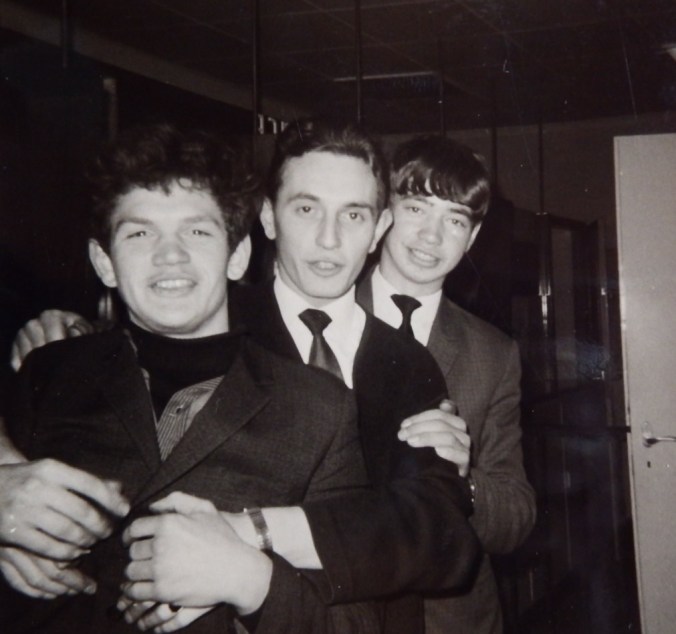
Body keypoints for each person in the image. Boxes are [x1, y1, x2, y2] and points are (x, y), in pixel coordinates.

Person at [3, 121, 481, 633]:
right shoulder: (83, 356)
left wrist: (244, 544)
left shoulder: (404, 363)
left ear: (378, 227)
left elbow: (439, 534)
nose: (329, 238)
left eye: (353, 214)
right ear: (267, 220)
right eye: (306, 209)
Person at [360, 134, 536, 633]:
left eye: (454, 220)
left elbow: (516, 517)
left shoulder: (494, 353)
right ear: (384, 213)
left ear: (472, 237)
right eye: (417, 208)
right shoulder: (318, 317)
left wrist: (463, 479)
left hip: (452, 619)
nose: (431, 236)